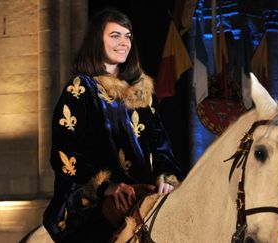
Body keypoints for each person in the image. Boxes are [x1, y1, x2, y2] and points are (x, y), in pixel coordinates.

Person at [42, 8, 182, 243]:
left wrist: (165, 178)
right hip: (98, 204)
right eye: (115, 35)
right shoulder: (80, 88)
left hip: (144, 196)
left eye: (128, 36)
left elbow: (161, 145)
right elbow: (65, 150)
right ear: (97, 40)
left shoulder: (142, 94)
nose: (124, 43)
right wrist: (104, 186)